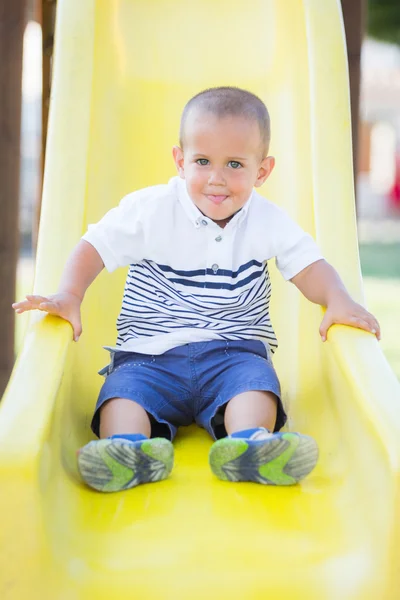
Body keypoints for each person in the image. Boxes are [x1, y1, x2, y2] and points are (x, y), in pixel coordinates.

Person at [13, 87, 381, 493]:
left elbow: (309, 266)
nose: (216, 178)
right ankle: (126, 450)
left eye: (235, 164)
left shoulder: (267, 220)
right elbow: (95, 246)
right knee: (123, 394)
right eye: (202, 161)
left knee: (257, 386)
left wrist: (337, 298)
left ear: (262, 171)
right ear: (179, 161)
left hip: (233, 352)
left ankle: (249, 446)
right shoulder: (151, 209)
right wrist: (70, 294)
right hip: (150, 355)